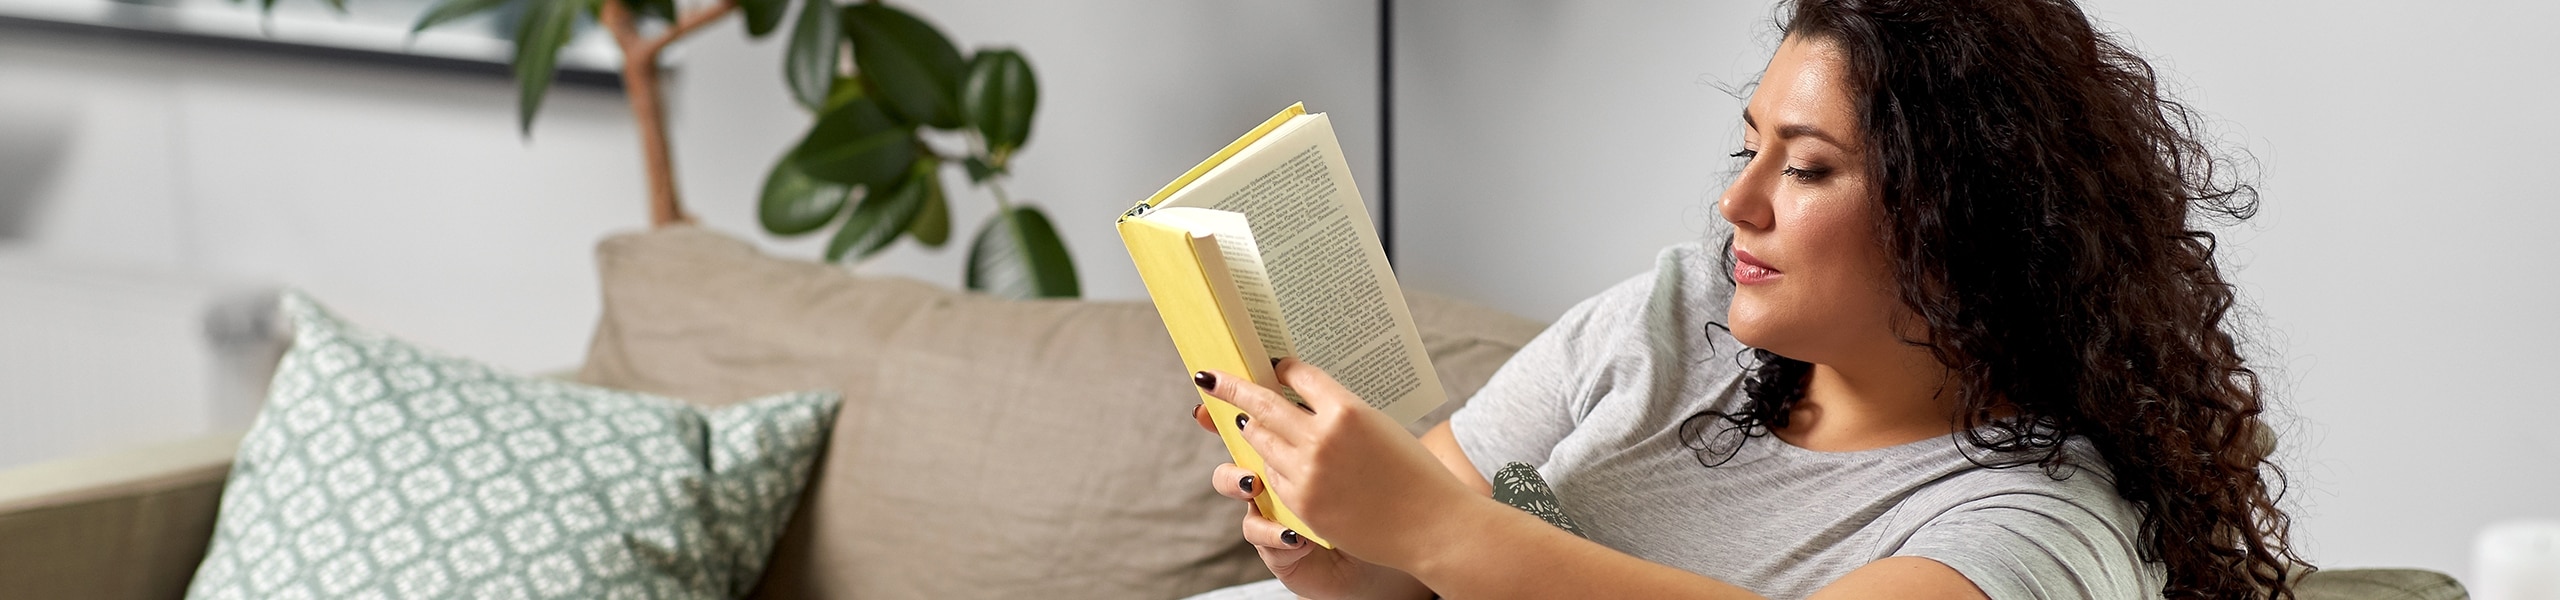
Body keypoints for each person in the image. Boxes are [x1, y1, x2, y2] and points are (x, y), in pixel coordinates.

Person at [1182, 0, 2305, 598]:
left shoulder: (2035, 530)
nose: (1736, 203)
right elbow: (1408, 581)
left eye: (1806, 167)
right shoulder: (1671, 321)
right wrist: (1335, 551)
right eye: (1748, 147)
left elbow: (1447, 534)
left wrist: (1432, 523)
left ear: (1962, 218)